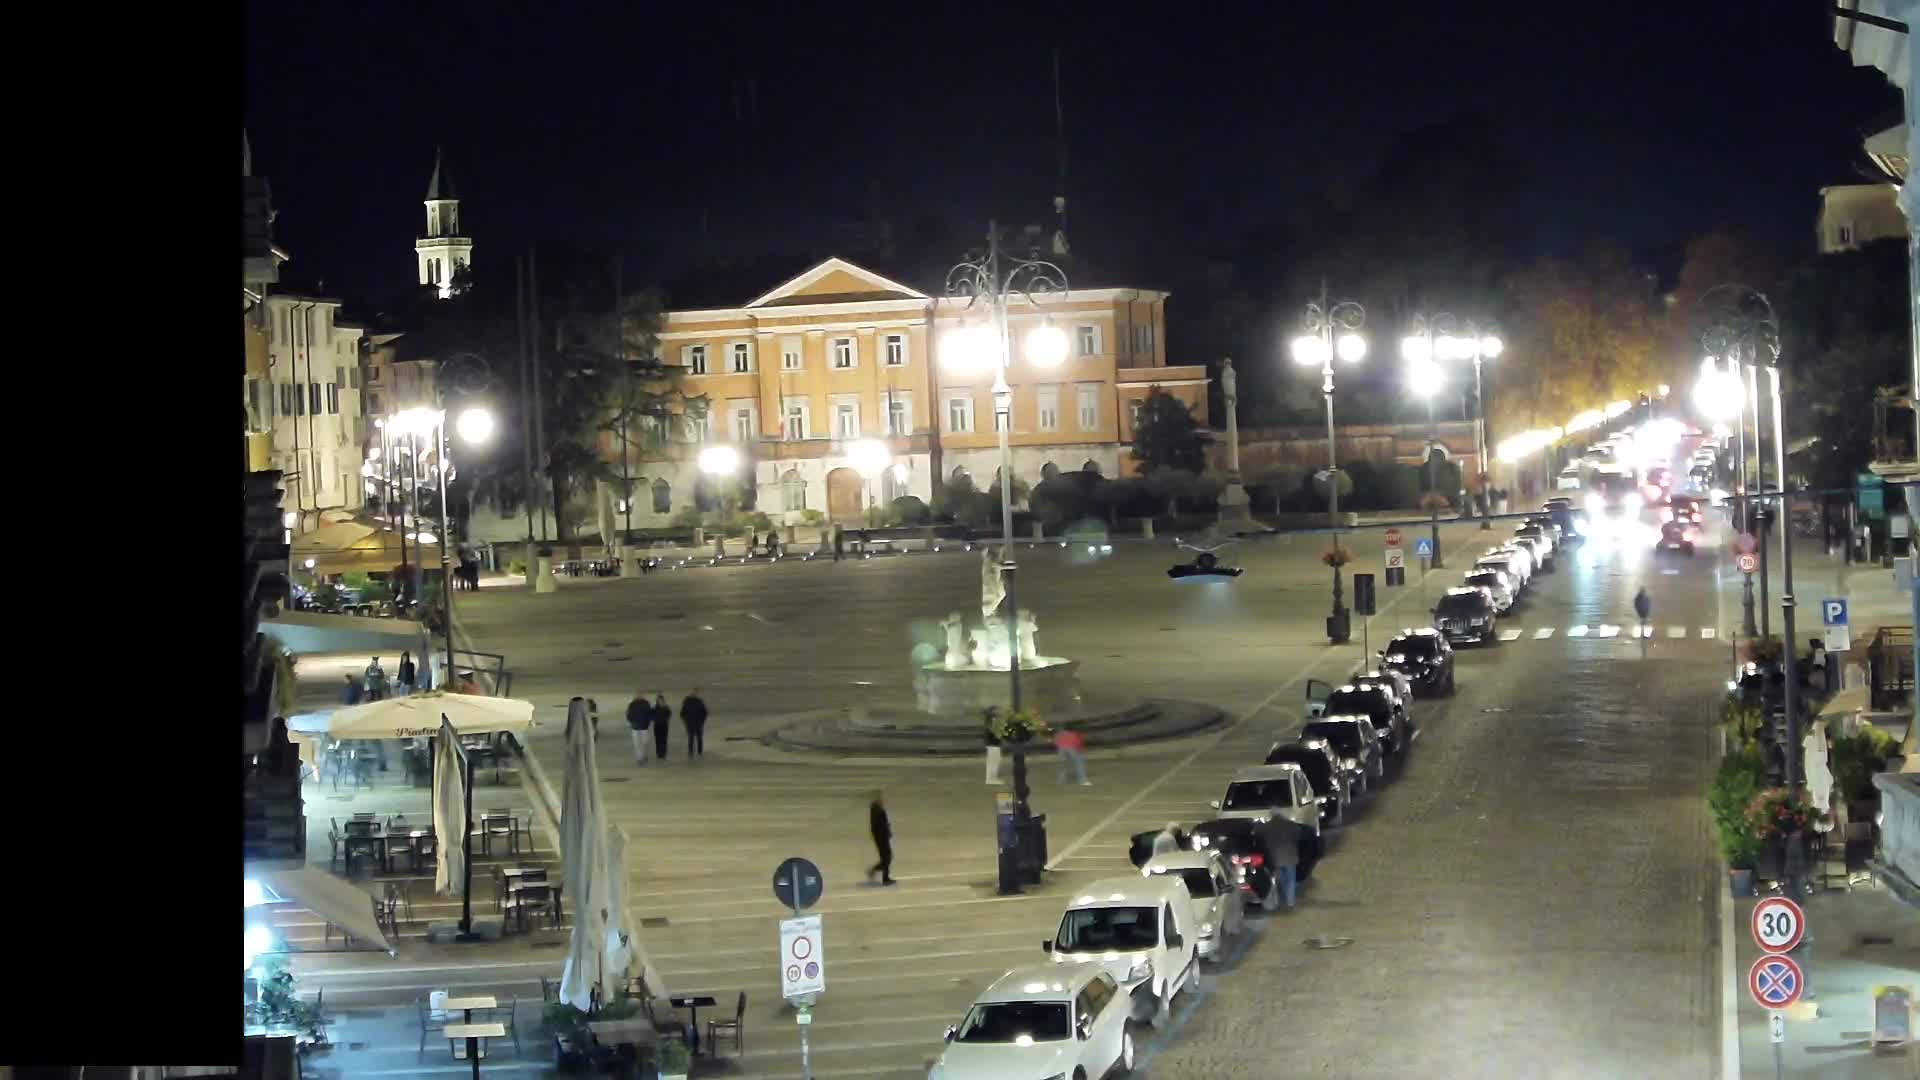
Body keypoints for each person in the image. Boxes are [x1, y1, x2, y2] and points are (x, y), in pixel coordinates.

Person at [1265, 816, 1303, 908]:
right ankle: (1290, 901)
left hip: (1276, 858)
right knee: (1290, 879)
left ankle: (1283, 898)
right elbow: (1298, 836)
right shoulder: (1290, 825)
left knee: (1281, 879)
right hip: (1290, 857)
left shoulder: (1268, 827)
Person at [867, 790, 896, 885]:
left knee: (886, 858)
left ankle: (875, 872)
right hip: (881, 837)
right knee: (887, 857)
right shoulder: (877, 809)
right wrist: (886, 832)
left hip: (882, 836)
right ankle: (884, 878)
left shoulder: (877, 808)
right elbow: (880, 825)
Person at [626, 690, 653, 766]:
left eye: (640, 694)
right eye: (637, 694)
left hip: (644, 726)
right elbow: (628, 714)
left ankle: (644, 755)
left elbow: (649, 713)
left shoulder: (646, 703)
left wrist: (647, 722)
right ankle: (639, 758)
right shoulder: (632, 704)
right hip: (635, 727)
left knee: (645, 742)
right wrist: (631, 721)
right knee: (637, 744)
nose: (638, 696)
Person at [681, 687, 709, 758]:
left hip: (698, 724)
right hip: (690, 724)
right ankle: (691, 753)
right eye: (693, 691)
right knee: (691, 739)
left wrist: (701, 721)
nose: (694, 693)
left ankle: (699, 752)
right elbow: (682, 713)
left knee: (699, 739)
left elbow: (705, 712)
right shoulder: (687, 701)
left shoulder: (699, 701)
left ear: (697, 693)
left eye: (696, 692)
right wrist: (686, 721)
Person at [983, 709, 1004, 785]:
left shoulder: (989, 722)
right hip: (993, 744)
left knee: (993, 761)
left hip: (992, 744)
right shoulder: (992, 721)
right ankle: (992, 779)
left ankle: (991, 778)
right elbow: (995, 733)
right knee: (994, 762)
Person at [651, 692, 672, 761]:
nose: (660, 701)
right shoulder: (654, 708)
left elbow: (669, 715)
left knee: (664, 740)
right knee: (658, 740)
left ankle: (663, 754)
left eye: (661, 700)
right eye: (659, 700)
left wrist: (666, 719)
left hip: (664, 725)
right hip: (657, 726)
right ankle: (659, 754)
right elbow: (652, 716)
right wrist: (655, 719)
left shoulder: (666, 708)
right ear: (657, 701)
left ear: (663, 700)